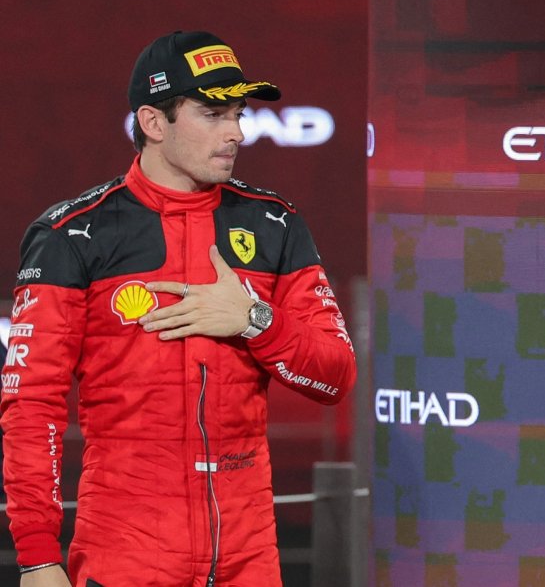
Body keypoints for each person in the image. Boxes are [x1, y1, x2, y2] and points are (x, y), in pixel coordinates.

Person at [2, 31, 356, 587]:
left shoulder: (276, 224)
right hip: (125, 555)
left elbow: (334, 378)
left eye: (238, 114)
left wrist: (254, 320)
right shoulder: (71, 235)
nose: (236, 132)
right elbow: (31, 408)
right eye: (213, 114)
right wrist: (38, 557)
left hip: (250, 558)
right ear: (153, 122)